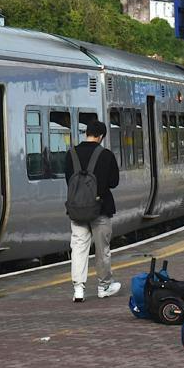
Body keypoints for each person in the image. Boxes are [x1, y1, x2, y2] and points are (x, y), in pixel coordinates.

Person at [66, 119, 121, 303]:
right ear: (101, 136)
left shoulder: (71, 154)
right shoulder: (105, 155)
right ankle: (103, 286)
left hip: (77, 211)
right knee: (102, 249)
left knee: (78, 249)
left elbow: (69, 181)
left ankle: (78, 289)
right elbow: (114, 182)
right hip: (101, 209)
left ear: (86, 133)